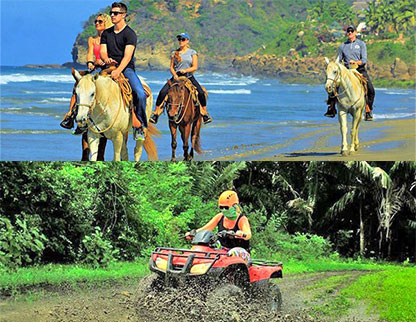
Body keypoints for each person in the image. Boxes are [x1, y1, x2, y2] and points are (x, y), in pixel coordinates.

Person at [60, 13, 111, 160]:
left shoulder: (110, 38)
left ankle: (134, 121)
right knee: (78, 86)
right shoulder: (92, 39)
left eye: (100, 21)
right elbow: (90, 54)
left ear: (106, 22)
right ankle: (71, 115)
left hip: (108, 70)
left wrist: (105, 62)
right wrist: (90, 62)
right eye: (95, 21)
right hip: (94, 69)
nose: (96, 23)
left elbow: (113, 55)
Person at [100, 2, 148, 141]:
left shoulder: (130, 34)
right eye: (112, 13)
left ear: (124, 15)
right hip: (109, 67)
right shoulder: (106, 33)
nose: (113, 16)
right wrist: (106, 59)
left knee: (140, 94)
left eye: (116, 13)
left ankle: (140, 127)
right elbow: (103, 51)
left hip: (125, 69)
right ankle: (79, 120)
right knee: (85, 86)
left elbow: (128, 56)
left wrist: (118, 71)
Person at [149, 33, 212, 125]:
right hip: (177, 76)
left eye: (183, 39)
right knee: (162, 92)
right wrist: (174, 75)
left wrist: (186, 70)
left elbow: (195, 67)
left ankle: (204, 114)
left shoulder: (192, 52)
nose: (181, 41)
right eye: (179, 39)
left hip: (188, 76)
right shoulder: (174, 53)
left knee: (201, 92)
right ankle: (156, 113)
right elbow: (171, 67)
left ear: (187, 41)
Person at [325, 25, 375, 121]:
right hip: (347, 70)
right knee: (332, 86)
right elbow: (339, 60)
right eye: (348, 31)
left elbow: (364, 59)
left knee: (370, 89)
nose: (350, 33)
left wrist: (356, 62)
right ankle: (331, 107)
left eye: (352, 31)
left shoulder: (361, 44)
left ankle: (368, 109)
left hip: (359, 69)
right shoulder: (342, 46)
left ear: (355, 32)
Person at [186, 191, 251, 252]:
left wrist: (242, 234)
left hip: (239, 253)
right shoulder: (220, 217)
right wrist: (193, 233)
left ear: (235, 206)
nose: (224, 210)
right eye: (221, 207)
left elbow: (248, 234)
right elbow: (206, 228)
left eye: (226, 207)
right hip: (223, 251)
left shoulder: (242, 219)